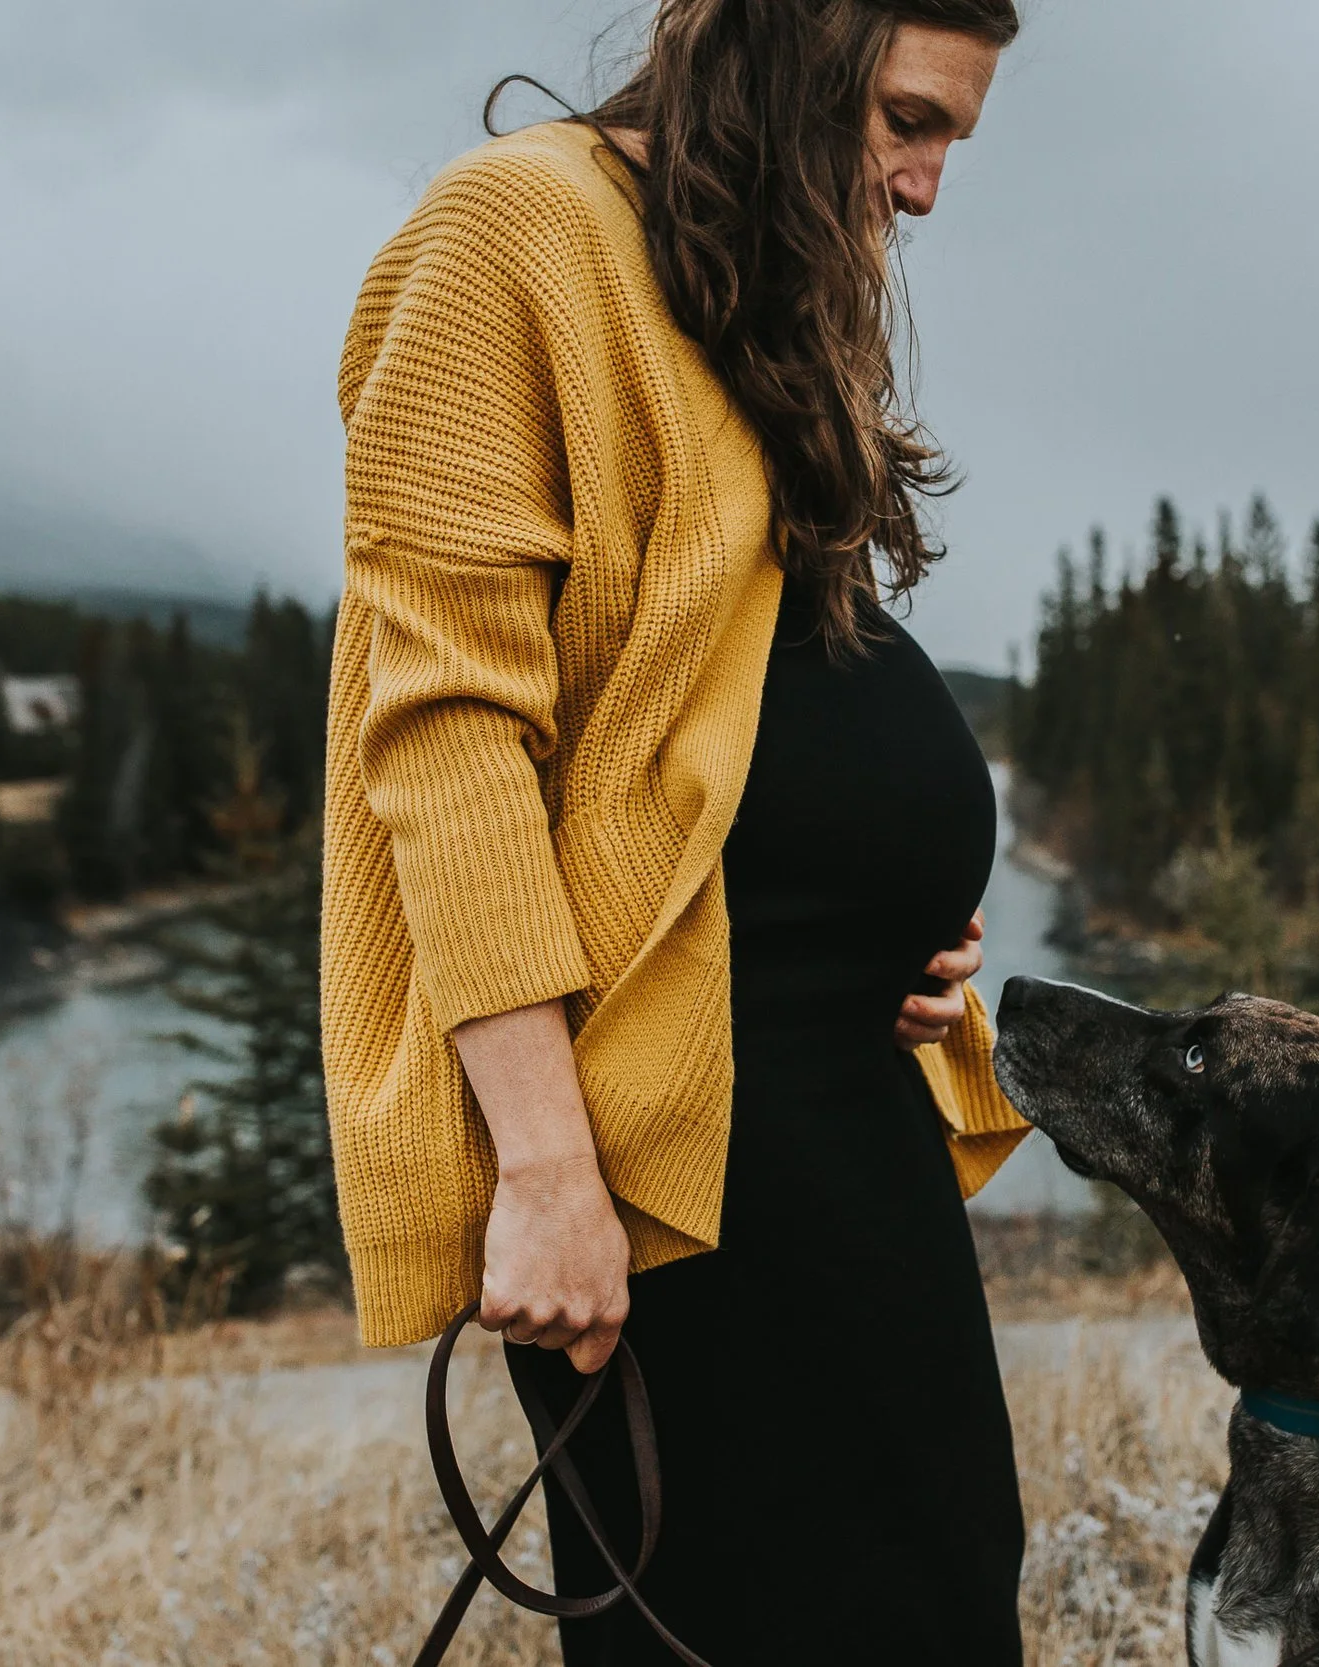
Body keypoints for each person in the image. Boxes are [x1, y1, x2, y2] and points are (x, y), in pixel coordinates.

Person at [320, 1, 1030, 1660]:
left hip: (843, 1091)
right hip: (668, 1130)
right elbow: (444, 735)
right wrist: (548, 1170)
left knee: (937, 1590)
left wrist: (896, 913)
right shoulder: (517, 230)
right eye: (908, 121)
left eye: (951, 144)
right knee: (748, 1618)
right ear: (795, 44)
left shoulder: (756, 265)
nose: (924, 189)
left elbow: (732, 688)